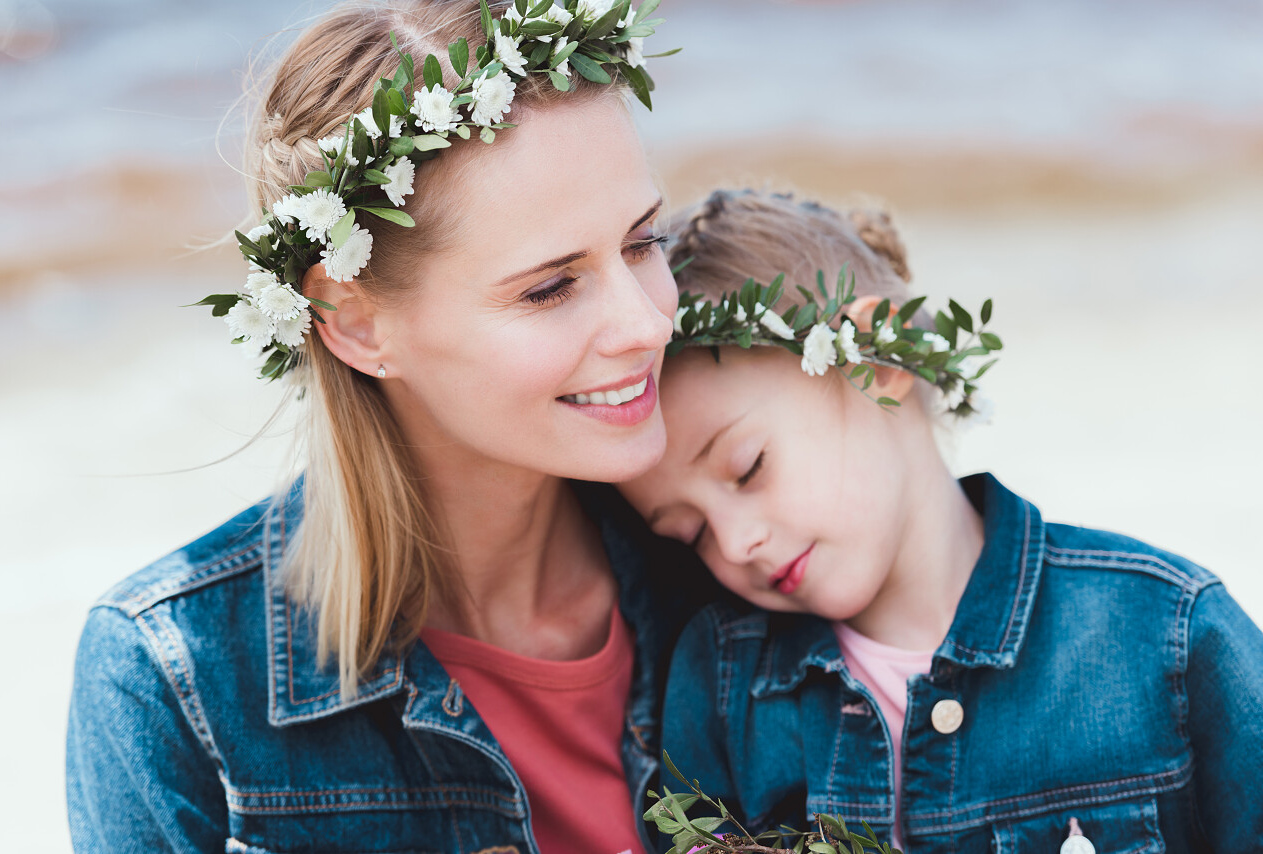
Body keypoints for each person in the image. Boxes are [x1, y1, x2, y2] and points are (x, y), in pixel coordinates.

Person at [65, 3, 715, 853]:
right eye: (550, 288)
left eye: (642, 242)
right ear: (357, 322)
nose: (648, 323)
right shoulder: (172, 685)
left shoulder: (744, 566)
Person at [619, 189, 1263, 853]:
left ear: (877, 360)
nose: (734, 541)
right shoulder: (724, 683)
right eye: (688, 533)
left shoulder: (1168, 636)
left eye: (748, 467)